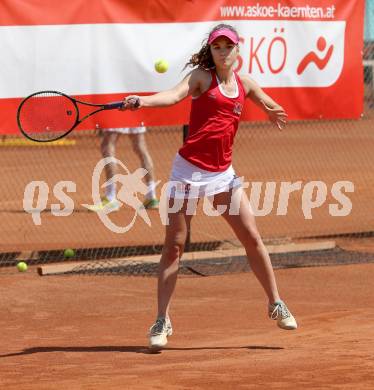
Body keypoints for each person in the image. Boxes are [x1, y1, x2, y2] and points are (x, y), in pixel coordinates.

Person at [125, 24, 297, 351]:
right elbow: (173, 96)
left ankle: (275, 302)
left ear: (237, 51)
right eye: (217, 47)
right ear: (211, 51)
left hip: (222, 176)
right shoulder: (201, 78)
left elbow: (263, 99)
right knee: (174, 245)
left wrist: (273, 108)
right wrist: (142, 102)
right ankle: (162, 319)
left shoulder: (244, 84)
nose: (222, 52)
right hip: (187, 173)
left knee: (251, 236)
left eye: (228, 46)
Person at [88, 124, 159, 211]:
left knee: (108, 144)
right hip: (135, 113)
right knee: (140, 146)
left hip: (116, 111)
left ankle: (110, 198)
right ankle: (151, 197)